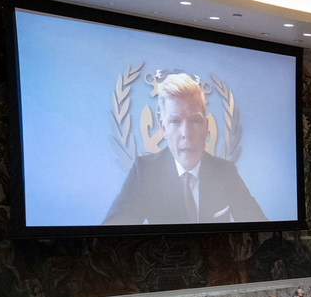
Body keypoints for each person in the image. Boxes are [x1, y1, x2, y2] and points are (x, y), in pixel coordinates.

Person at [102, 72, 266, 225]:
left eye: (195, 121)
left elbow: (261, 228)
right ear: (163, 129)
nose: (186, 134)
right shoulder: (144, 172)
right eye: (175, 121)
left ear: (206, 127)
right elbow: (110, 237)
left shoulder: (226, 172)